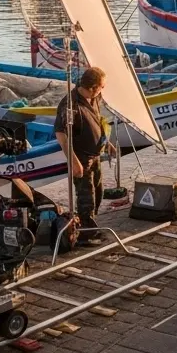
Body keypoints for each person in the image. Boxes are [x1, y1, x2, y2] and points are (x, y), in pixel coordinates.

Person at [55, 67, 114, 240]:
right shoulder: (70, 105)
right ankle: (86, 232)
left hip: (95, 154)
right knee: (86, 196)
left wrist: (106, 142)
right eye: (102, 87)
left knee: (98, 191)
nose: (103, 89)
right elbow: (61, 135)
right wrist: (74, 162)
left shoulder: (94, 98)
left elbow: (97, 121)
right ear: (93, 87)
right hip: (81, 156)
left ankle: (91, 223)